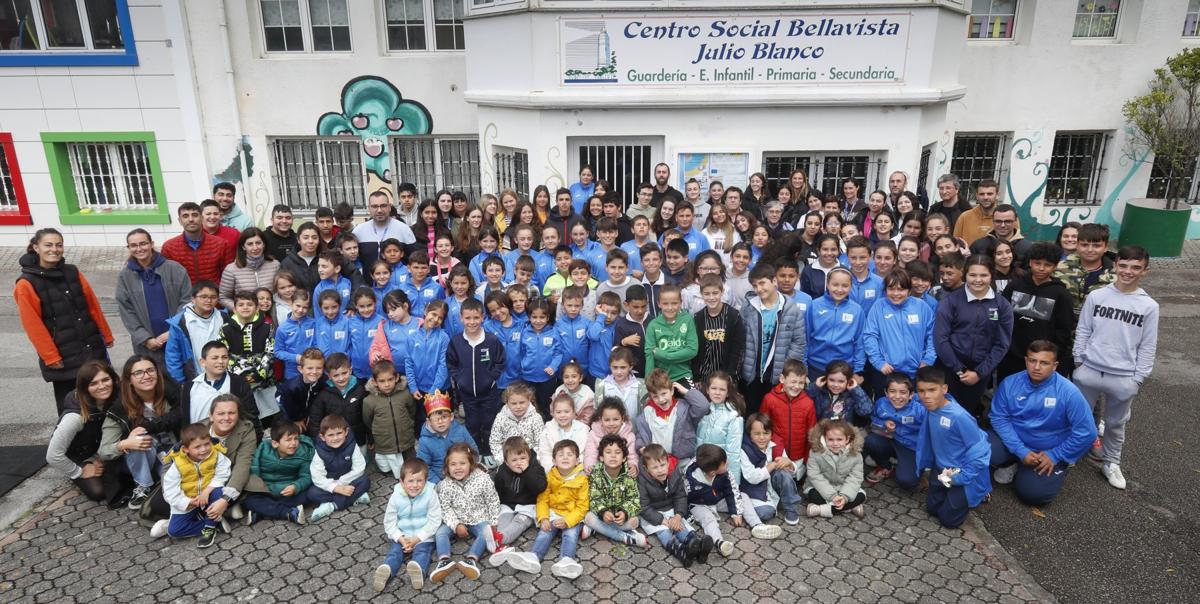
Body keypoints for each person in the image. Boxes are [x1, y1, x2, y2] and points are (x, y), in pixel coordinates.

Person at [1072, 246, 1158, 490]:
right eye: (1123, 266)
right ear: (1115, 266)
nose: (1128, 272)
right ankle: (1070, 455)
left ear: (1145, 271)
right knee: (1078, 417)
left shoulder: (1149, 306)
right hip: (1089, 369)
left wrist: (1138, 379)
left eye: (1135, 267)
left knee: (1115, 423)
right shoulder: (1097, 297)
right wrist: (1080, 361)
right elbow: (1084, 329)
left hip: (1123, 376)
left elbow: (1148, 345)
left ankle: (1111, 462)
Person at [17, 229, 114, 413]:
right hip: (63, 358)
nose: (55, 249)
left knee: (106, 403)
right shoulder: (26, 283)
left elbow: (92, 305)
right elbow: (33, 325)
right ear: (35, 247)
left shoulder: (72, 272)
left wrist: (106, 335)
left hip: (92, 348)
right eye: (48, 245)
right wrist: (51, 357)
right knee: (72, 409)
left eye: (59, 245)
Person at [989, 341, 1097, 505]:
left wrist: (1055, 455)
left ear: (1055, 366)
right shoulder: (1010, 383)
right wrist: (1020, 450)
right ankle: (1015, 461)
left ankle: (1056, 467)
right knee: (979, 446)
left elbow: (1087, 432)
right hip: (1016, 443)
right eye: (1032, 361)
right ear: (1026, 361)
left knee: (1033, 494)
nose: (1036, 367)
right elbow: (998, 417)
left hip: (1047, 451)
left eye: (1044, 362)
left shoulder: (1069, 392)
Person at [934, 255, 1014, 418]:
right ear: (965, 275)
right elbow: (940, 339)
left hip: (980, 372)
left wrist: (979, 373)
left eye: (983, 275)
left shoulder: (1002, 305)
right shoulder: (951, 301)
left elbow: (1002, 344)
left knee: (966, 415)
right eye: (973, 275)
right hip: (950, 368)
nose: (978, 280)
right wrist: (959, 369)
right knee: (944, 412)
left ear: (991, 275)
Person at [912, 366, 992, 529]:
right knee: (932, 510)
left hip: (962, 473)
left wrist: (961, 478)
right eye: (921, 391)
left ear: (944, 389)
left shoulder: (959, 416)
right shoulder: (929, 408)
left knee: (948, 520)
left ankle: (980, 491)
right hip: (941, 470)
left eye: (932, 390)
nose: (926, 396)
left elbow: (981, 450)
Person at [100, 355, 179, 508]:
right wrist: (124, 443)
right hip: (141, 459)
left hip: (170, 453)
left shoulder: (170, 395)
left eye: (150, 370)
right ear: (129, 380)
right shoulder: (119, 408)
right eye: (139, 373)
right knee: (139, 436)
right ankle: (143, 485)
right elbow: (104, 451)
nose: (146, 376)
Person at [503, 439, 588, 578]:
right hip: (553, 513)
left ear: (577, 460)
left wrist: (568, 521)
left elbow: (583, 506)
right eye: (561, 455)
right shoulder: (549, 476)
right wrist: (543, 518)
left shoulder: (582, 479)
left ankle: (566, 560)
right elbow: (542, 499)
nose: (565, 457)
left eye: (569, 454)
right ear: (554, 460)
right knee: (544, 533)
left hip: (572, 515)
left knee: (570, 535)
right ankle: (534, 556)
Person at [46, 361, 125, 505]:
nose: (102, 386)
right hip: (80, 456)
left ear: (113, 379)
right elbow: (52, 455)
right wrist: (80, 471)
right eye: (93, 383)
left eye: (105, 380)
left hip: (104, 449)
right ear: (84, 388)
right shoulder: (74, 417)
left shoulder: (119, 397)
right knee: (98, 492)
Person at [1000, 242, 1075, 381]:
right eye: (1037, 263)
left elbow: (1064, 330)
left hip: (1041, 360)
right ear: (1030, 262)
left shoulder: (1061, 294)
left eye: (1047, 265)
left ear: (1055, 266)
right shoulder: (1015, 285)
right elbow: (1002, 316)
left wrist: (1053, 358)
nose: (1041, 268)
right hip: (1011, 356)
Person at [116, 229, 191, 366]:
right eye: (133, 245)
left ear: (151, 244)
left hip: (177, 339)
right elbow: (127, 311)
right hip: (147, 346)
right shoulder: (125, 277)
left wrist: (174, 331)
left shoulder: (175, 269)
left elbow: (186, 301)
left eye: (143, 243)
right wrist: (145, 338)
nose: (139, 248)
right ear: (128, 248)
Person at [740, 262, 807, 415]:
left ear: (774, 281)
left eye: (762, 283)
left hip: (776, 374)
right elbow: (741, 340)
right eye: (755, 285)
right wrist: (744, 364)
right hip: (752, 373)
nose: (759, 289)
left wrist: (785, 368)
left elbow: (798, 343)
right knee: (751, 412)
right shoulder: (748, 308)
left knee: (773, 414)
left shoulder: (791, 309)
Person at [150, 422, 232, 547]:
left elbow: (223, 473)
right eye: (197, 447)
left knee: (218, 491)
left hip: (208, 495)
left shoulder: (216, 455)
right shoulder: (177, 465)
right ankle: (215, 523)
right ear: (186, 449)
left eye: (206, 444)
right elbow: (169, 491)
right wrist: (186, 502)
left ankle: (209, 529)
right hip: (188, 500)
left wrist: (207, 491)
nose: (204, 449)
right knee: (175, 531)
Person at [429, 443, 500, 582]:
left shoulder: (483, 479)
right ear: (447, 467)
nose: (458, 468)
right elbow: (445, 507)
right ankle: (444, 560)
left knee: (485, 534)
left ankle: (471, 559)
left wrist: (494, 522)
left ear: (471, 464)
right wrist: (456, 525)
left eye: (462, 463)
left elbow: (493, 501)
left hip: (479, 517)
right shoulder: (445, 485)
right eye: (453, 464)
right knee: (440, 533)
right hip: (457, 518)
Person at [862, 269, 936, 397]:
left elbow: (932, 335)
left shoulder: (921, 307)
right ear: (885, 290)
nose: (896, 294)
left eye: (901, 289)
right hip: (887, 371)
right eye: (891, 289)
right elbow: (870, 336)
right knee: (885, 409)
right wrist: (878, 362)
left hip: (916, 371)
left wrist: (928, 359)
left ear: (909, 290)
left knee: (913, 409)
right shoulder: (878, 307)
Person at [372, 458, 440, 593]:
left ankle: (419, 571)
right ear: (402, 482)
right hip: (402, 535)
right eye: (410, 481)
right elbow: (389, 523)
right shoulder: (396, 497)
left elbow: (435, 520)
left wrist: (417, 538)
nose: (415, 485)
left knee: (422, 552)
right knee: (395, 553)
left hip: (423, 536)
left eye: (419, 481)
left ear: (426, 481)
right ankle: (387, 571)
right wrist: (400, 538)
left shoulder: (431, 494)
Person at [241, 418, 313, 525]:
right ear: (275, 443)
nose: (293, 443)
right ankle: (289, 513)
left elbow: (306, 476)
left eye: (296, 439)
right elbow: (255, 470)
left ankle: (262, 511)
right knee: (249, 501)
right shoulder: (263, 449)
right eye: (288, 440)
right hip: (266, 491)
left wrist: (296, 486)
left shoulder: (303, 453)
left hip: (287, 492)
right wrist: (260, 488)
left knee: (308, 494)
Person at [221, 291, 278, 426]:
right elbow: (223, 354)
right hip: (238, 380)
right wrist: (239, 376)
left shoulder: (267, 327)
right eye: (241, 305)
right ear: (234, 309)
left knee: (268, 416)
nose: (245, 307)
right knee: (244, 416)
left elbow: (270, 352)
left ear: (257, 308)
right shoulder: (226, 329)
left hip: (263, 380)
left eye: (250, 304)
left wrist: (259, 374)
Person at [179, 341, 258, 436]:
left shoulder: (238, 383)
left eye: (224, 357)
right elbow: (185, 419)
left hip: (233, 443)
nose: (220, 361)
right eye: (215, 358)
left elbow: (251, 416)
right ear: (203, 362)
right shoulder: (190, 387)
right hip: (200, 443)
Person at [582, 434, 647, 547]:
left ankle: (596, 529)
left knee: (635, 521)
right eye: (608, 452)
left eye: (617, 453)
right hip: (601, 514)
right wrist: (603, 512)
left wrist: (624, 513)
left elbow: (634, 500)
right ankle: (625, 537)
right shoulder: (596, 473)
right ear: (601, 457)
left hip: (619, 517)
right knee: (588, 517)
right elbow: (594, 499)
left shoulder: (629, 475)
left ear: (624, 458)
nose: (613, 456)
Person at [490, 436, 548, 561]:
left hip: (528, 506)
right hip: (508, 505)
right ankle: (500, 543)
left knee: (518, 523)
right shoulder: (502, 472)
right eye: (514, 460)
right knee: (503, 521)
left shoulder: (536, 468)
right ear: (506, 462)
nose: (519, 462)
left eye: (523, 458)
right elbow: (497, 490)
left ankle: (501, 540)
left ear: (529, 457)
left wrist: (527, 472)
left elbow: (540, 488)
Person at [863, 373, 926, 488]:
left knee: (908, 482)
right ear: (886, 393)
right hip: (890, 440)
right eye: (892, 391)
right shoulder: (881, 403)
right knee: (870, 440)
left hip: (911, 447)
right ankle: (885, 465)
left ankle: (909, 466)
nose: (897, 396)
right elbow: (873, 418)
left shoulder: (920, 410)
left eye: (903, 392)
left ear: (911, 394)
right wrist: (883, 423)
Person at [305, 415, 371, 519]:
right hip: (330, 485)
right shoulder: (319, 452)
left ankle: (331, 505)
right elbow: (317, 477)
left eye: (339, 433)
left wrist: (341, 484)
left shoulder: (352, 446)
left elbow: (359, 468)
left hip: (349, 481)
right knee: (312, 493)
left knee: (365, 481)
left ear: (346, 432)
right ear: (322, 437)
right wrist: (335, 488)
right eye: (330, 435)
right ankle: (355, 497)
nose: (335, 438)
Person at [163, 281, 226, 384]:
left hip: (224, 377)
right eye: (203, 297)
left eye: (213, 297)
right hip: (195, 378)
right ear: (193, 299)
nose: (208, 300)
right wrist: (180, 382)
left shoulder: (224, 317)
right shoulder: (181, 322)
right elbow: (173, 355)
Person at [684, 443, 741, 557]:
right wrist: (686, 515)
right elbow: (683, 498)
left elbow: (731, 492)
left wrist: (736, 513)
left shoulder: (723, 472)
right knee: (709, 519)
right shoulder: (691, 481)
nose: (727, 463)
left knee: (743, 496)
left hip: (716, 500)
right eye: (724, 463)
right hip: (698, 504)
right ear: (712, 473)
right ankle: (720, 543)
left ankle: (757, 525)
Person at [760, 360, 818, 470]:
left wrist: (807, 459)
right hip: (776, 454)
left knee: (795, 480)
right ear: (782, 379)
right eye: (793, 381)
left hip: (799, 456)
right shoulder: (769, 399)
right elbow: (764, 426)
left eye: (801, 383)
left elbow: (812, 433)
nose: (797, 386)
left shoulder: (808, 403)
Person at [803, 419, 866, 518]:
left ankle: (820, 510)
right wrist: (832, 496)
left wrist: (844, 497)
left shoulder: (856, 455)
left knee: (861, 496)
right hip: (821, 489)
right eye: (831, 439)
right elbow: (815, 476)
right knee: (813, 496)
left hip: (843, 487)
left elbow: (855, 478)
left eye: (839, 439)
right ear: (824, 438)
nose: (835, 443)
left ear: (847, 439)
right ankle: (850, 508)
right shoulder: (815, 452)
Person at [161, 202, 235, 285]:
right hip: (185, 297)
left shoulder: (221, 244)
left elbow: (229, 276)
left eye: (195, 215)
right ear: (180, 221)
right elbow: (168, 279)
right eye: (185, 216)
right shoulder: (169, 247)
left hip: (213, 296)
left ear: (202, 218)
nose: (191, 219)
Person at [1054, 223, 1115, 318]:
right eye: (1084, 245)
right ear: (1077, 245)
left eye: (1096, 246)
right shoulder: (1058, 268)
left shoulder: (1115, 275)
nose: (1090, 250)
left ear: (1105, 247)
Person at [417, 392, 479, 483]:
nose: (440, 421)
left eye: (444, 417)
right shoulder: (424, 441)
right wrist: (438, 484)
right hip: (442, 479)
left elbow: (474, 450)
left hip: (465, 473)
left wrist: (470, 470)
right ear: (429, 422)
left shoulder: (461, 430)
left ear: (452, 417)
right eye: (436, 419)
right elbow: (424, 467)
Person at [645, 285, 698, 385]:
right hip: (660, 378)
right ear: (659, 304)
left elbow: (692, 350)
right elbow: (649, 355)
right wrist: (649, 381)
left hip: (683, 375)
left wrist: (665, 355)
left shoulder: (687, 320)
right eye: (665, 304)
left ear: (680, 303)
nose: (670, 308)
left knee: (694, 400)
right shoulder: (653, 325)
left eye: (674, 303)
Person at [218, 228, 280, 312]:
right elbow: (223, 297)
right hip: (245, 318)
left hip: (272, 315)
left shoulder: (275, 265)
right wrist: (239, 309)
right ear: (243, 247)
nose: (255, 247)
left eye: (258, 243)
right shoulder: (231, 269)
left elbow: (279, 292)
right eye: (250, 244)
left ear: (264, 244)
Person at [354, 191, 417, 268]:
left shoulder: (404, 229)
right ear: (369, 208)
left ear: (389, 207)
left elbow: (415, 260)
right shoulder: (358, 231)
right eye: (375, 206)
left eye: (383, 206)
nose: (379, 210)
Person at [489, 382, 545, 465]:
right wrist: (502, 460)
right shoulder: (501, 418)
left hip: (530, 461)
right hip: (508, 460)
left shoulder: (536, 418)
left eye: (522, 402)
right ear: (507, 403)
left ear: (529, 400)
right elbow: (495, 442)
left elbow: (540, 442)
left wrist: (534, 461)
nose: (518, 407)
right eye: (514, 403)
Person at [583, 397, 639, 475]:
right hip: (599, 473)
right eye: (607, 420)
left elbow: (632, 455)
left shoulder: (629, 436)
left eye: (615, 419)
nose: (611, 423)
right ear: (601, 419)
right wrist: (590, 466)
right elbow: (590, 453)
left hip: (621, 473)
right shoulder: (594, 434)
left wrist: (633, 466)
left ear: (622, 419)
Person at [537, 394, 590, 467]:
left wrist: (574, 466)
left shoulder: (582, 430)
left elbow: (584, 453)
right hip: (554, 470)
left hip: (576, 469)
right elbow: (545, 453)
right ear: (553, 413)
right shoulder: (548, 430)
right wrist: (552, 468)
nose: (562, 415)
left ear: (574, 412)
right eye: (558, 412)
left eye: (566, 412)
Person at [953, 180, 1002, 246]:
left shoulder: (1006, 217)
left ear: (997, 195)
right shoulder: (965, 217)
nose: (985, 197)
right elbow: (955, 243)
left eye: (990, 194)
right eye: (982, 194)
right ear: (977, 196)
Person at [278, 222, 324, 292]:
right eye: (306, 238)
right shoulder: (287, 263)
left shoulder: (325, 260)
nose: (310, 241)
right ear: (298, 240)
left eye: (314, 238)